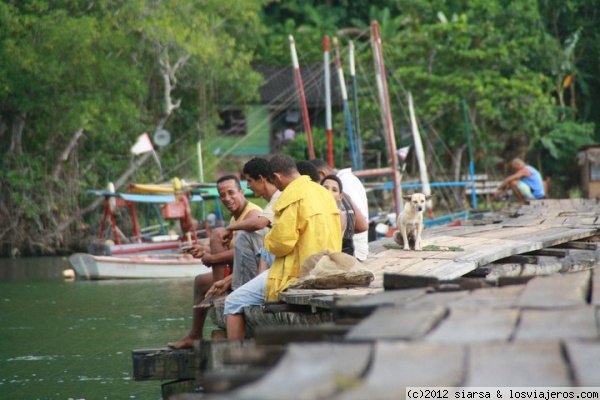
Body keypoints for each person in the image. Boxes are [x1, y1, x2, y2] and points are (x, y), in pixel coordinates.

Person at [224, 154, 342, 340]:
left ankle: (236, 358)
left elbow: (280, 245)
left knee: (232, 302)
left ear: (277, 177)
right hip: (329, 265)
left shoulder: (291, 197)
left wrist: (270, 238)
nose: (276, 187)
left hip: (300, 272)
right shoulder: (323, 193)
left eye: (274, 181)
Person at [167, 175, 262, 349]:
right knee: (200, 282)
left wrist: (213, 258)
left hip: (254, 272)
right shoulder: (235, 218)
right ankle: (195, 335)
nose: (227, 198)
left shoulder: (253, 213)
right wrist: (204, 251)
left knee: (217, 233)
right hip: (236, 272)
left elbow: (248, 254)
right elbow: (231, 248)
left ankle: (220, 296)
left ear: (241, 192)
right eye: (222, 195)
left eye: (231, 193)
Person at [309, 159, 370, 260]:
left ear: (321, 175)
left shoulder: (344, 183)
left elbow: (358, 223)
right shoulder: (346, 179)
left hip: (353, 253)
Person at [321, 174, 369, 256]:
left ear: (340, 196)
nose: (329, 192)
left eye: (334, 190)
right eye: (325, 188)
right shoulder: (317, 213)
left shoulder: (340, 215)